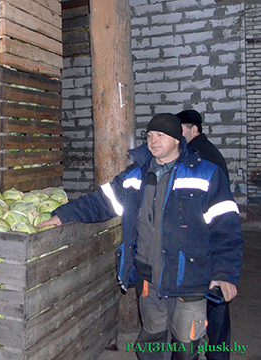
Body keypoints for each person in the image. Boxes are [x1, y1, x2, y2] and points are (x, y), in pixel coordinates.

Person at [37, 113, 243, 360]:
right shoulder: (135, 176)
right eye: (149, 135)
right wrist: (62, 215)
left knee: (187, 343)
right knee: (151, 337)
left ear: (178, 139)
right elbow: (100, 201)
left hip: (190, 278)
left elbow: (226, 229)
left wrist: (224, 274)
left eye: (161, 135)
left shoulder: (206, 174)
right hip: (149, 277)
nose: (153, 141)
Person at [176, 109, 231, 360]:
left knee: (212, 304)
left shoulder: (199, 155)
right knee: (214, 304)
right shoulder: (207, 149)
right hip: (209, 241)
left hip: (206, 242)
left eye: (181, 129)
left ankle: (215, 354)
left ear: (194, 130)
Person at [177, 109, 229, 181]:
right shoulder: (203, 147)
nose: (176, 134)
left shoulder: (195, 152)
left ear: (194, 130)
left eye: (180, 129)